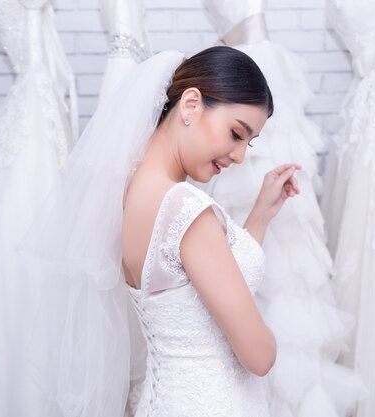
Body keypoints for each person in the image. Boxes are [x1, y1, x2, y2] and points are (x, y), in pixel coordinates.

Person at [22, 46, 299, 417]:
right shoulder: (186, 211)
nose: (239, 156)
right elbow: (259, 357)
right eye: (236, 133)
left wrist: (261, 216)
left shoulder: (127, 193)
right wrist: (277, 338)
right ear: (190, 105)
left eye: (248, 143)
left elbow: (188, 296)